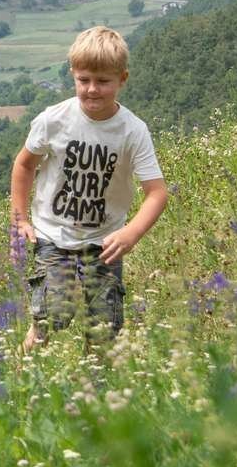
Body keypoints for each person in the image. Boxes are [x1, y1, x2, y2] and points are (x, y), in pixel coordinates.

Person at [9, 26, 167, 349]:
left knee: (104, 332)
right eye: (84, 80)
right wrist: (21, 219)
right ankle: (22, 376)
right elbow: (24, 164)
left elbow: (157, 192)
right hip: (52, 236)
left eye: (103, 81)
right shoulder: (53, 120)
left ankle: (95, 392)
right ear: (73, 76)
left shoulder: (133, 131)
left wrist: (131, 233)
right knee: (52, 317)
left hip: (105, 242)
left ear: (122, 79)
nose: (92, 89)